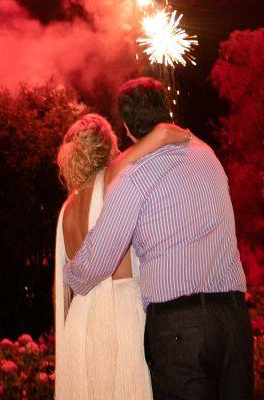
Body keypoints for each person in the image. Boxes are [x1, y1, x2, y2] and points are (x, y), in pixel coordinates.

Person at [65, 77, 253, 400]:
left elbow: (98, 261)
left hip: (178, 328)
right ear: (168, 110)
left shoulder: (133, 179)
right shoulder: (208, 156)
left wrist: (69, 273)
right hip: (234, 319)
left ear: (126, 128)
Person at [54, 111, 190, 400]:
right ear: (108, 147)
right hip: (120, 314)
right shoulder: (113, 178)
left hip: (78, 321)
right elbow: (163, 134)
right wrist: (191, 138)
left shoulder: (67, 209)